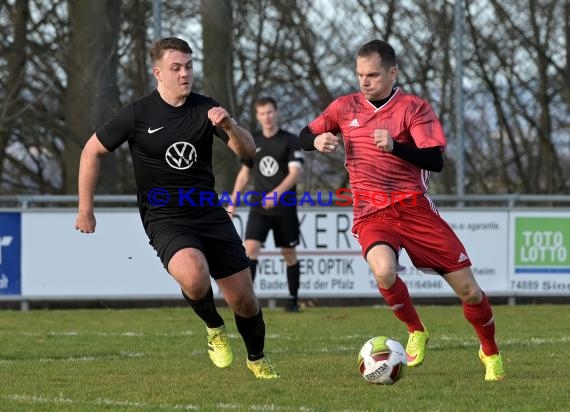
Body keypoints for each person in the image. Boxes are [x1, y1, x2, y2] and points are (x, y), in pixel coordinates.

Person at [298, 39, 505, 381]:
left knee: (469, 291)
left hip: (414, 209)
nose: (364, 82)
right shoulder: (344, 107)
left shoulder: (414, 108)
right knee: (383, 271)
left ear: (393, 73)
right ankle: (416, 329)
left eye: (373, 75)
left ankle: (490, 351)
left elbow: (434, 161)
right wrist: (315, 141)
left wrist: (396, 146)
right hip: (371, 212)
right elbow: (304, 135)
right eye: (360, 75)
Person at [74, 37, 279, 379]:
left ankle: (256, 358)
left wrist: (228, 124)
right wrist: (85, 209)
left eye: (188, 66)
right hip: (164, 216)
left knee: (244, 299)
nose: (185, 74)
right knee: (195, 275)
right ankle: (214, 328)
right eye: (176, 68)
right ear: (158, 73)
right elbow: (90, 151)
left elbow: (248, 153)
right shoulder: (138, 114)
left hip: (208, 212)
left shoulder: (206, 108)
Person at [227, 97, 304, 312]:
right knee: (250, 249)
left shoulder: (290, 140)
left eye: (270, 112)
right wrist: (232, 202)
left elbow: (296, 173)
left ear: (276, 112)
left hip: (284, 207)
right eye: (262, 113)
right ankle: (246, 300)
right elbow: (245, 173)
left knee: (289, 253)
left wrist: (276, 195)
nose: (267, 117)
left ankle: (293, 301)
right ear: (257, 116)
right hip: (259, 208)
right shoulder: (253, 141)